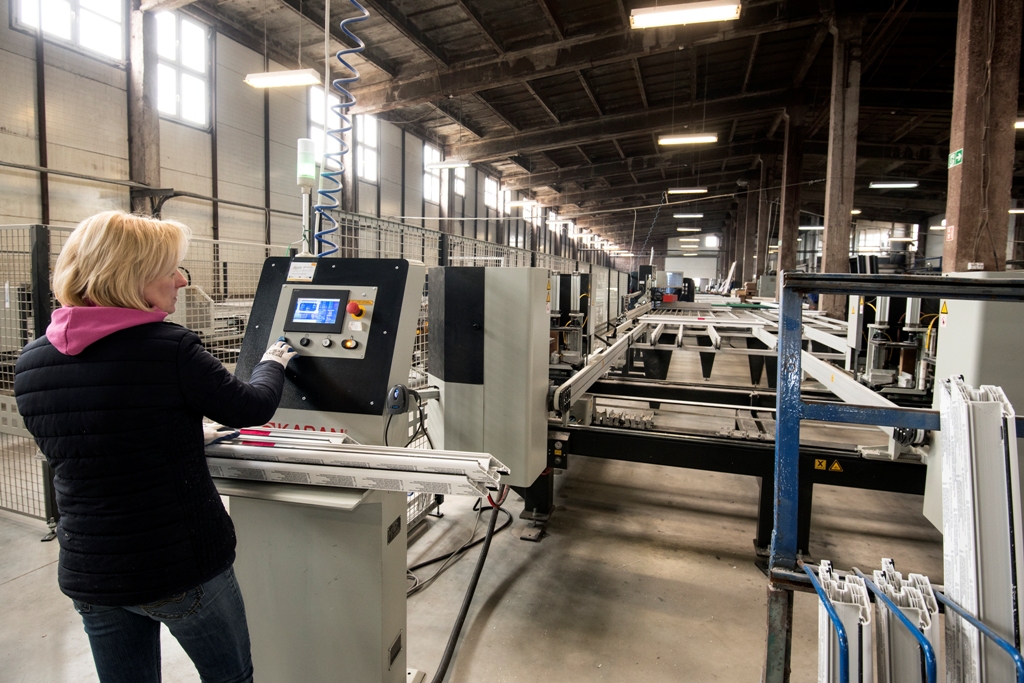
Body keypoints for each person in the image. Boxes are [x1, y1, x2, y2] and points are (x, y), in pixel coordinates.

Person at [14, 210, 297, 683]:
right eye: (171, 269)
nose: (182, 280)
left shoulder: (32, 360)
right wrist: (273, 362)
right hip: (178, 567)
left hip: (90, 571)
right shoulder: (169, 348)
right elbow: (249, 408)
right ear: (132, 276)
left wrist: (179, 432)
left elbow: (92, 438)